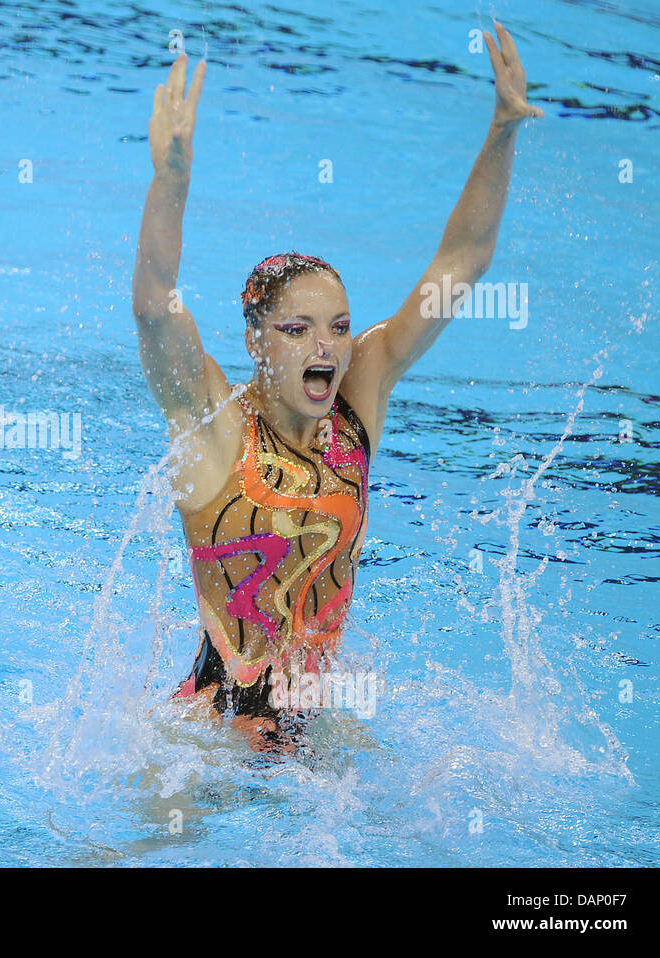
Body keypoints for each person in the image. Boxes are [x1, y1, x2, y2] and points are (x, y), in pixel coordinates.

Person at [131, 26, 542, 748]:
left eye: (339, 326)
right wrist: (171, 180)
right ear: (256, 341)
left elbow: (463, 259)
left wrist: (504, 128)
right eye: (297, 330)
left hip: (312, 730)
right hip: (211, 736)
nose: (326, 345)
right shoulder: (216, 427)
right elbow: (154, 303)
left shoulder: (357, 401)